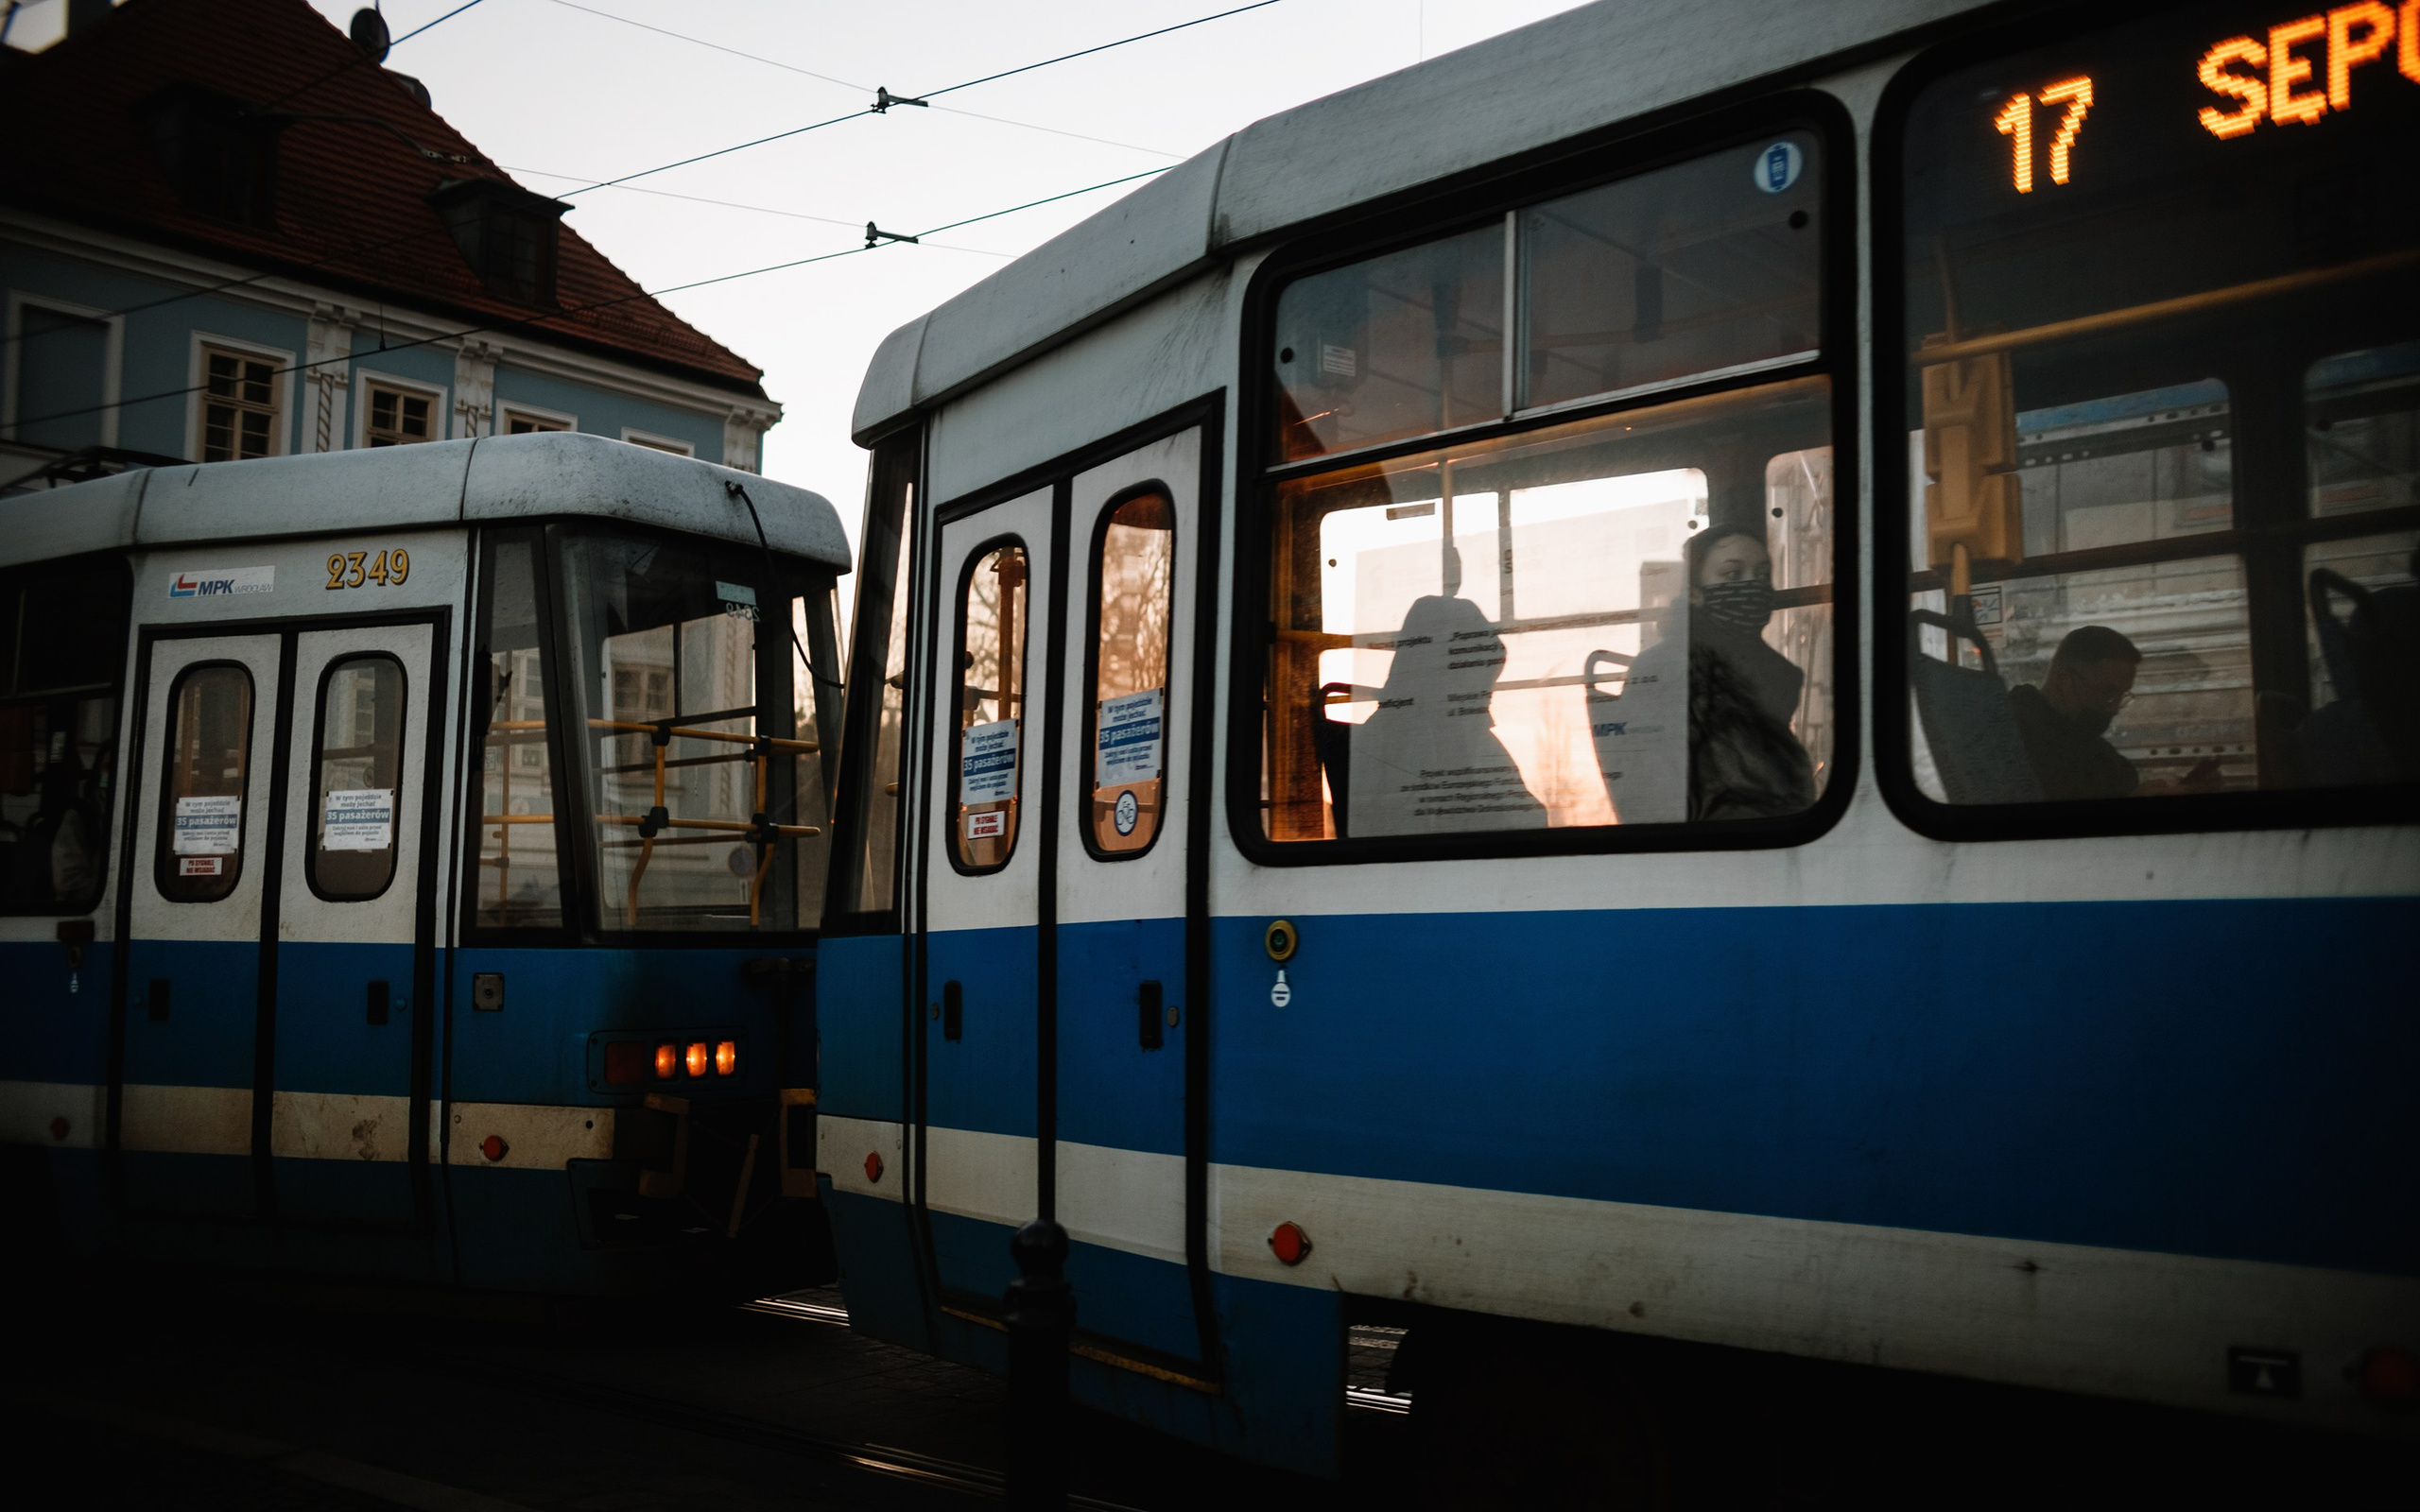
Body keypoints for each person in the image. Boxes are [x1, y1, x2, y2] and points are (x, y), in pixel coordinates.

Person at [1611, 522, 1816, 821]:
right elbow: (1651, 783)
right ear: (1695, 593)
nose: (1752, 587)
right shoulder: (1662, 669)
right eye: (1733, 574)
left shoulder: (1779, 674)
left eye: (1762, 575)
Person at [2007, 626, 2221, 799]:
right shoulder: (2016, 736)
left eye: (2122, 696)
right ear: (2064, 678)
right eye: (2106, 692)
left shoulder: (2088, 743)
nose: (2113, 708)